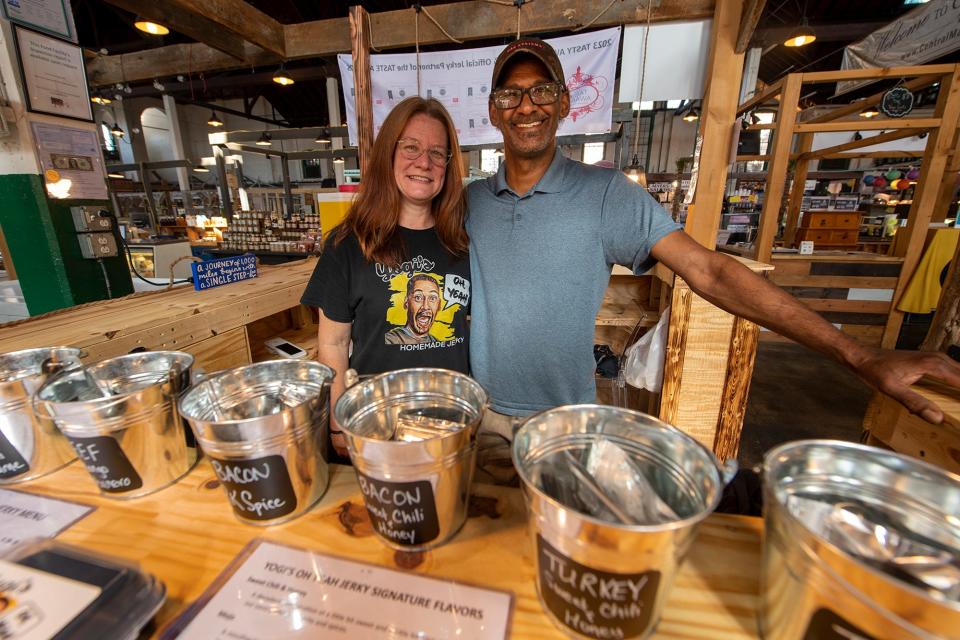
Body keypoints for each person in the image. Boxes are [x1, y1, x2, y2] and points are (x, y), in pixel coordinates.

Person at [467, 38, 960, 479]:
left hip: (564, 426)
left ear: (565, 103)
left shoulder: (606, 196)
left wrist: (858, 353)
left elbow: (711, 270)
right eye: (509, 94)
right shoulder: (469, 203)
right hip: (479, 419)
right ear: (493, 110)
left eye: (542, 91)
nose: (526, 106)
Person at [302, 97, 470, 460]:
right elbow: (332, 344)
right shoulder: (347, 244)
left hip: (452, 425)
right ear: (388, 155)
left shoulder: (465, 241)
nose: (424, 162)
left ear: (448, 165)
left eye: (437, 153)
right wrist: (337, 421)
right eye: (410, 147)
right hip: (378, 428)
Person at [385, 274, 442, 345]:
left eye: (432, 298)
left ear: (439, 305)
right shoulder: (391, 339)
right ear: (406, 302)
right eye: (418, 297)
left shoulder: (436, 342)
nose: (425, 306)